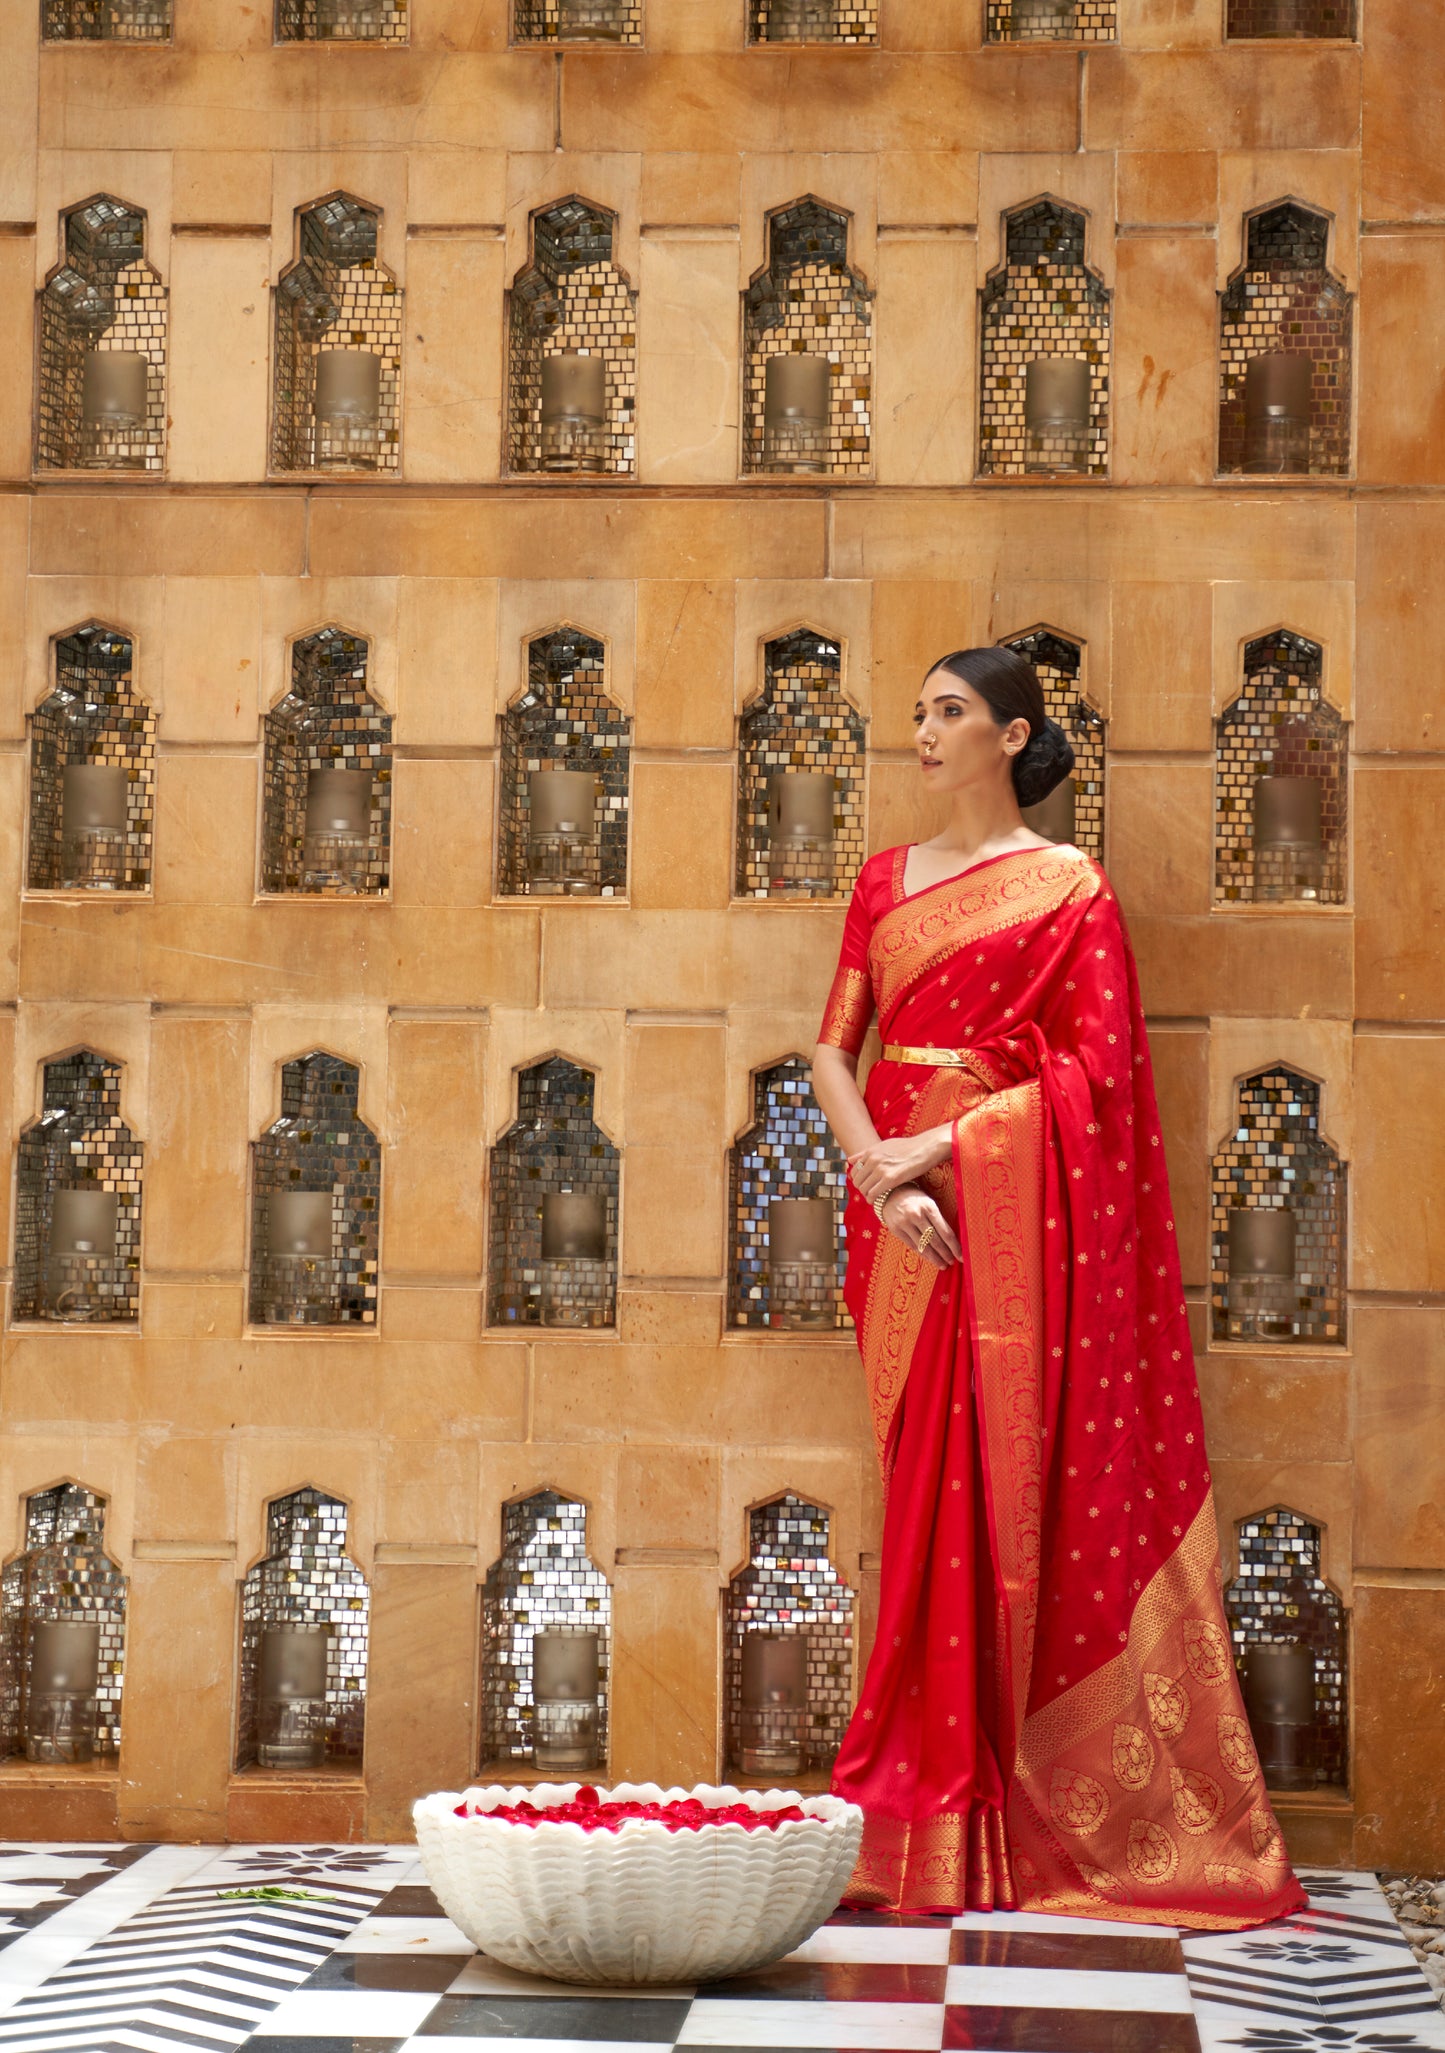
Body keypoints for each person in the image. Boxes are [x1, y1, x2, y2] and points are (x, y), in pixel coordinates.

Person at [811, 646, 1306, 1931]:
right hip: (898, 1227)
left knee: (992, 1508)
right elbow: (829, 1047)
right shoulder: (881, 880)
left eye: (948, 712)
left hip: (996, 1224)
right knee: (920, 1500)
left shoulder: (1067, 891)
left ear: (1009, 734)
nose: (921, 731)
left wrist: (950, 1151)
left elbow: (1099, 1082)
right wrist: (878, 1172)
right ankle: (913, 1815)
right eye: (917, 712)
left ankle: (991, 1809)